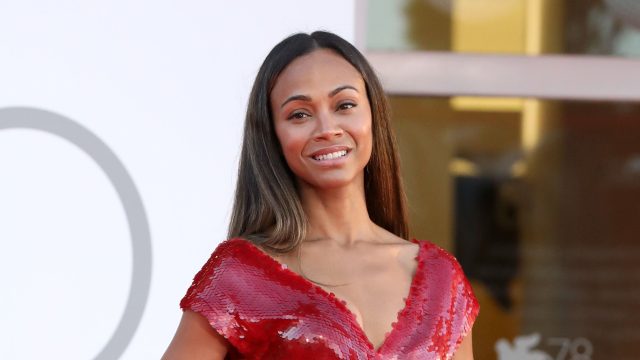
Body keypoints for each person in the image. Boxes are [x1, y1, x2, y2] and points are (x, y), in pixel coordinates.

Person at [162, 31, 479, 360]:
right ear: (273, 136)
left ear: (373, 116)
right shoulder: (241, 276)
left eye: (345, 105)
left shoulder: (443, 281)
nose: (327, 128)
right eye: (299, 114)